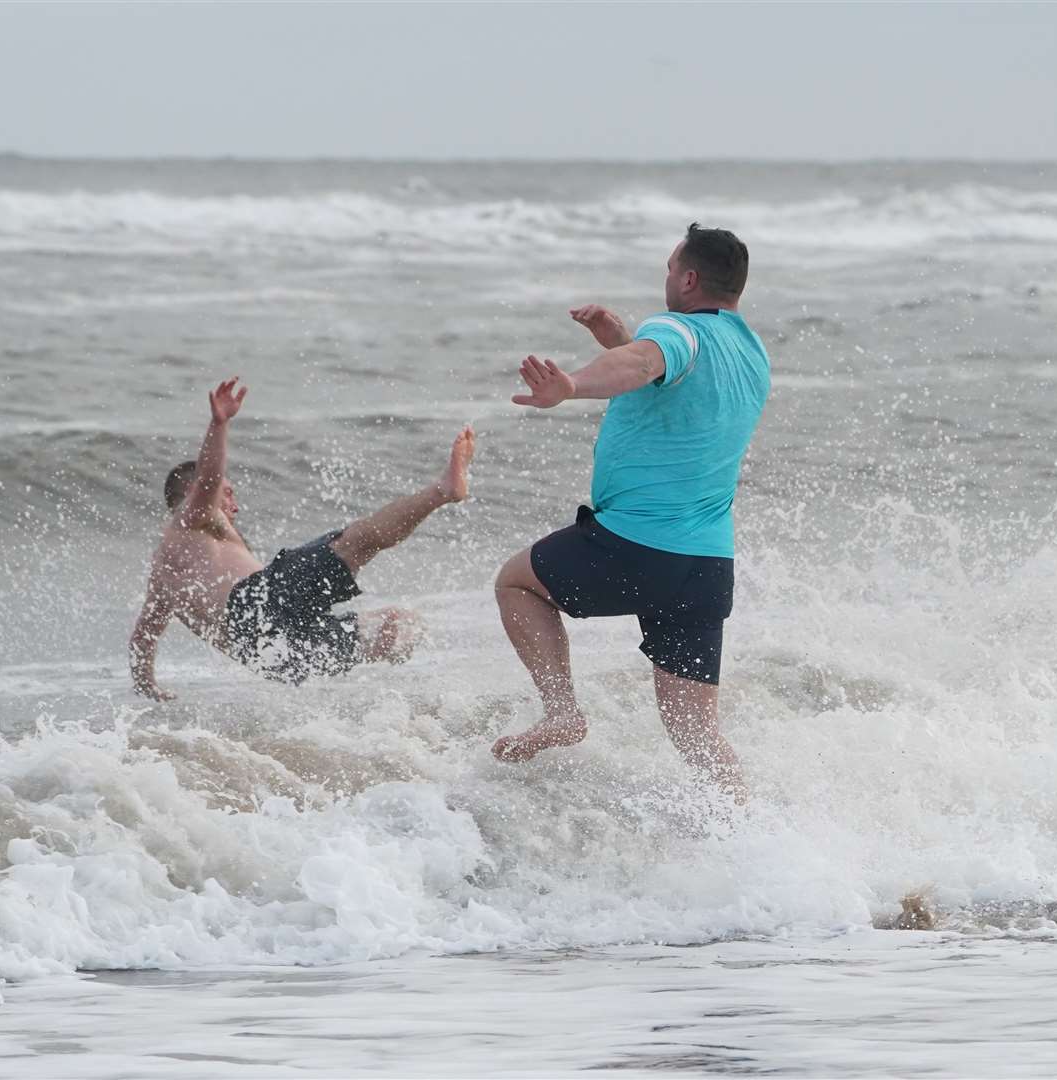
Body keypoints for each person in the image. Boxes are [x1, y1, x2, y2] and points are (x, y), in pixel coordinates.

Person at [490, 224, 770, 801]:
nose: (667, 277)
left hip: (638, 545)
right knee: (697, 733)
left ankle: (561, 711)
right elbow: (659, 372)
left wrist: (570, 385)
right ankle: (749, 833)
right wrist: (613, 336)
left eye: (671, 268)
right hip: (706, 566)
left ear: (689, 279)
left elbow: (645, 363)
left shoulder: (674, 329)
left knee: (517, 583)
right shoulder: (750, 350)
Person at [129, 378, 474, 697]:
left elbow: (143, 637)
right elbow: (208, 478)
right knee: (354, 543)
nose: (234, 503)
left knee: (397, 628)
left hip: (268, 655)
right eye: (229, 493)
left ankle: (408, 725)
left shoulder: (163, 575)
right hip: (254, 607)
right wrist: (219, 425)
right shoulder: (194, 518)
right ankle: (442, 490)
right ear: (190, 494)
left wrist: (148, 688)